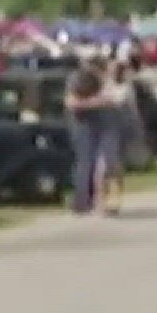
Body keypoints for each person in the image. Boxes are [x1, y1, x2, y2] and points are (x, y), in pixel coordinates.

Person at [64, 57, 115, 216]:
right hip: (84, 126)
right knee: (86, 164)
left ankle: (95, 201)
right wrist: (97, 102)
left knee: (99, 164)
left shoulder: (102, 80)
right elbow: (72, 102)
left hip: (100, 127)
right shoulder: (79, 78)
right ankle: (82, 201)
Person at [98, 61, 140, 216]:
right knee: (102, 168)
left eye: (117, 71)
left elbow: (132, 110)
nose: (114, 73)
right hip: (103, 130)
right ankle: (102, 202)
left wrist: (137, 129)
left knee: (115, 167)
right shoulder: (103, 86)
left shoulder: (126, 89)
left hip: (120, 130)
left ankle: (115, 199)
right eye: (111, 70)